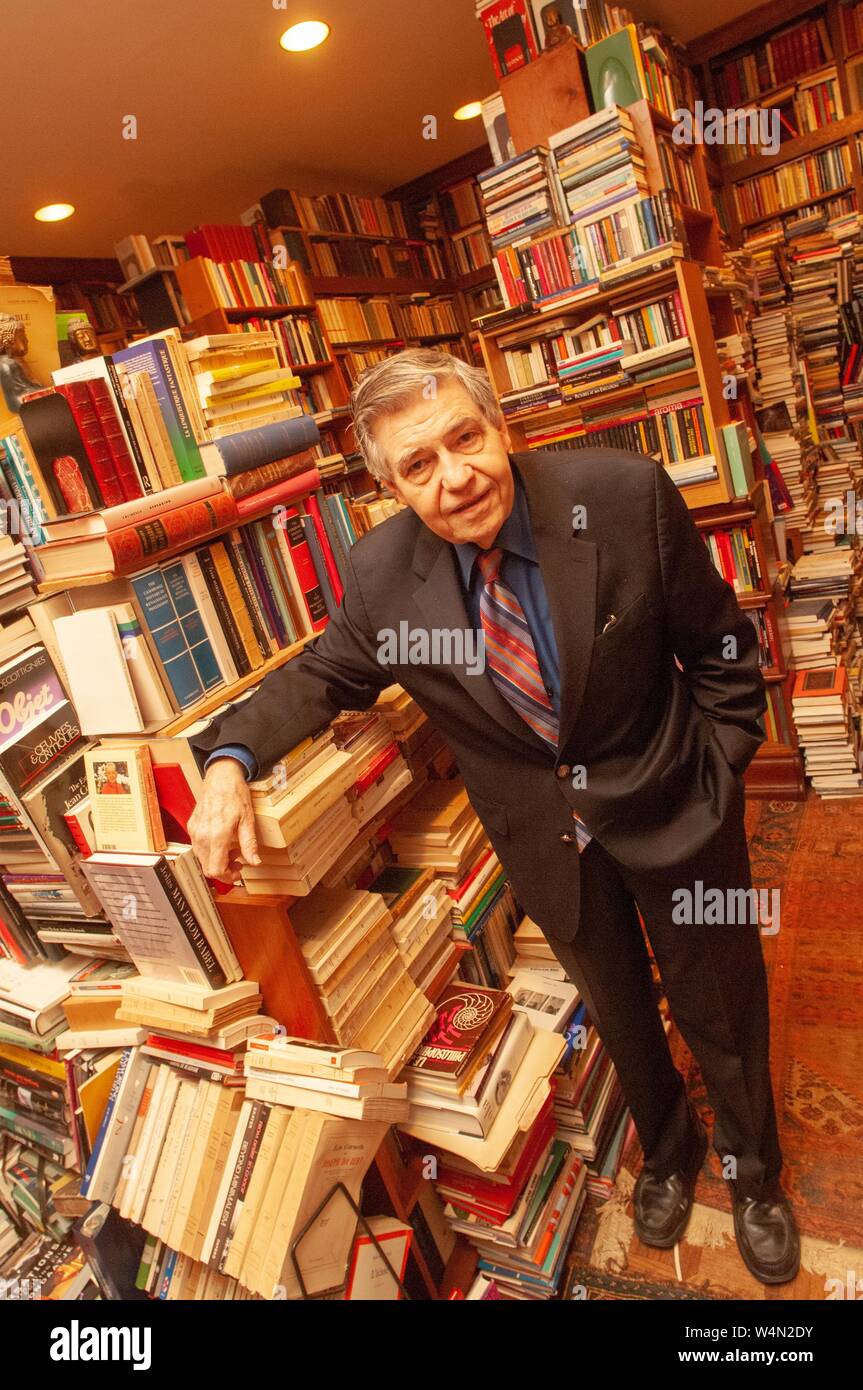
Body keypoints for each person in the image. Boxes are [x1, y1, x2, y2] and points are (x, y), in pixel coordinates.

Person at [188, 347, 800, 1285]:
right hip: (548, 843)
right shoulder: (383, 574)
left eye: (463, 439)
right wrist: (229, 761)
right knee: (622, 1014)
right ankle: (669, 1153)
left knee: (720, 1002)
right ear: (389, 484)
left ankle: (754, 1173)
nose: (454, 477)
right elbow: (324, 676)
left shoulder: (623, 497)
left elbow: (723, 651)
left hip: (678, 808)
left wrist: (716, 771)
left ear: (498, 425)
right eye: (418, 465)